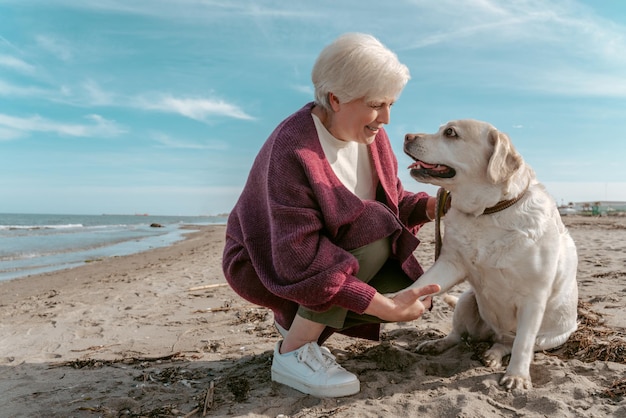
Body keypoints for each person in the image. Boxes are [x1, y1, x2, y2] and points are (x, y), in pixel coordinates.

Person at [222, 32, 441, 398]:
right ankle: (292, 352)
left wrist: (435, 206)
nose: (386, 118)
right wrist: (382, 307)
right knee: (372, 232)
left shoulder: (371, 137)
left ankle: (299, 321)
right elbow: (299, 255)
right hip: (268, 262)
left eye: (391, 104)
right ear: (336, 99)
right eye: (376, 104)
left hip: (331, 258)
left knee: (411, 291)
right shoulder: (292, 150)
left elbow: (392, 200)